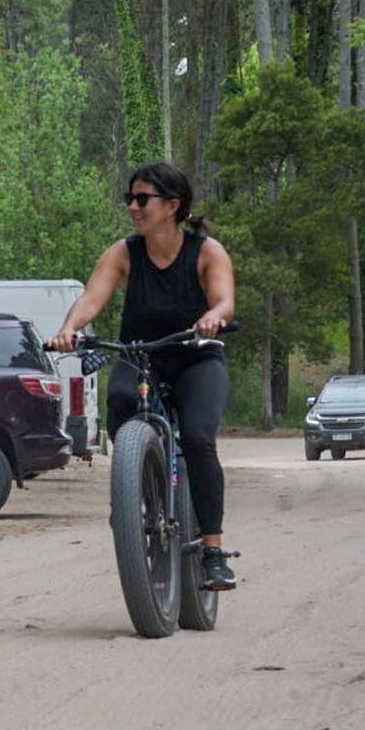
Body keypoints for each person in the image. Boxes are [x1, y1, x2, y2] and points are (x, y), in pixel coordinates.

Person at [47, 162, 239, 590]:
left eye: (142, 199)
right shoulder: (123, 253)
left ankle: (212, 550)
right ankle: (133, 485)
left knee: (197, 436)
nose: (133, 207)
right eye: (129, 199)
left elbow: (225, 301)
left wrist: (212, 318)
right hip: (140, 356)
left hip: (196, 357)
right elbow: (92, 297)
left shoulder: (207, 251)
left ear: (173, 206)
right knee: (120, 402)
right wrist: (69, 329)